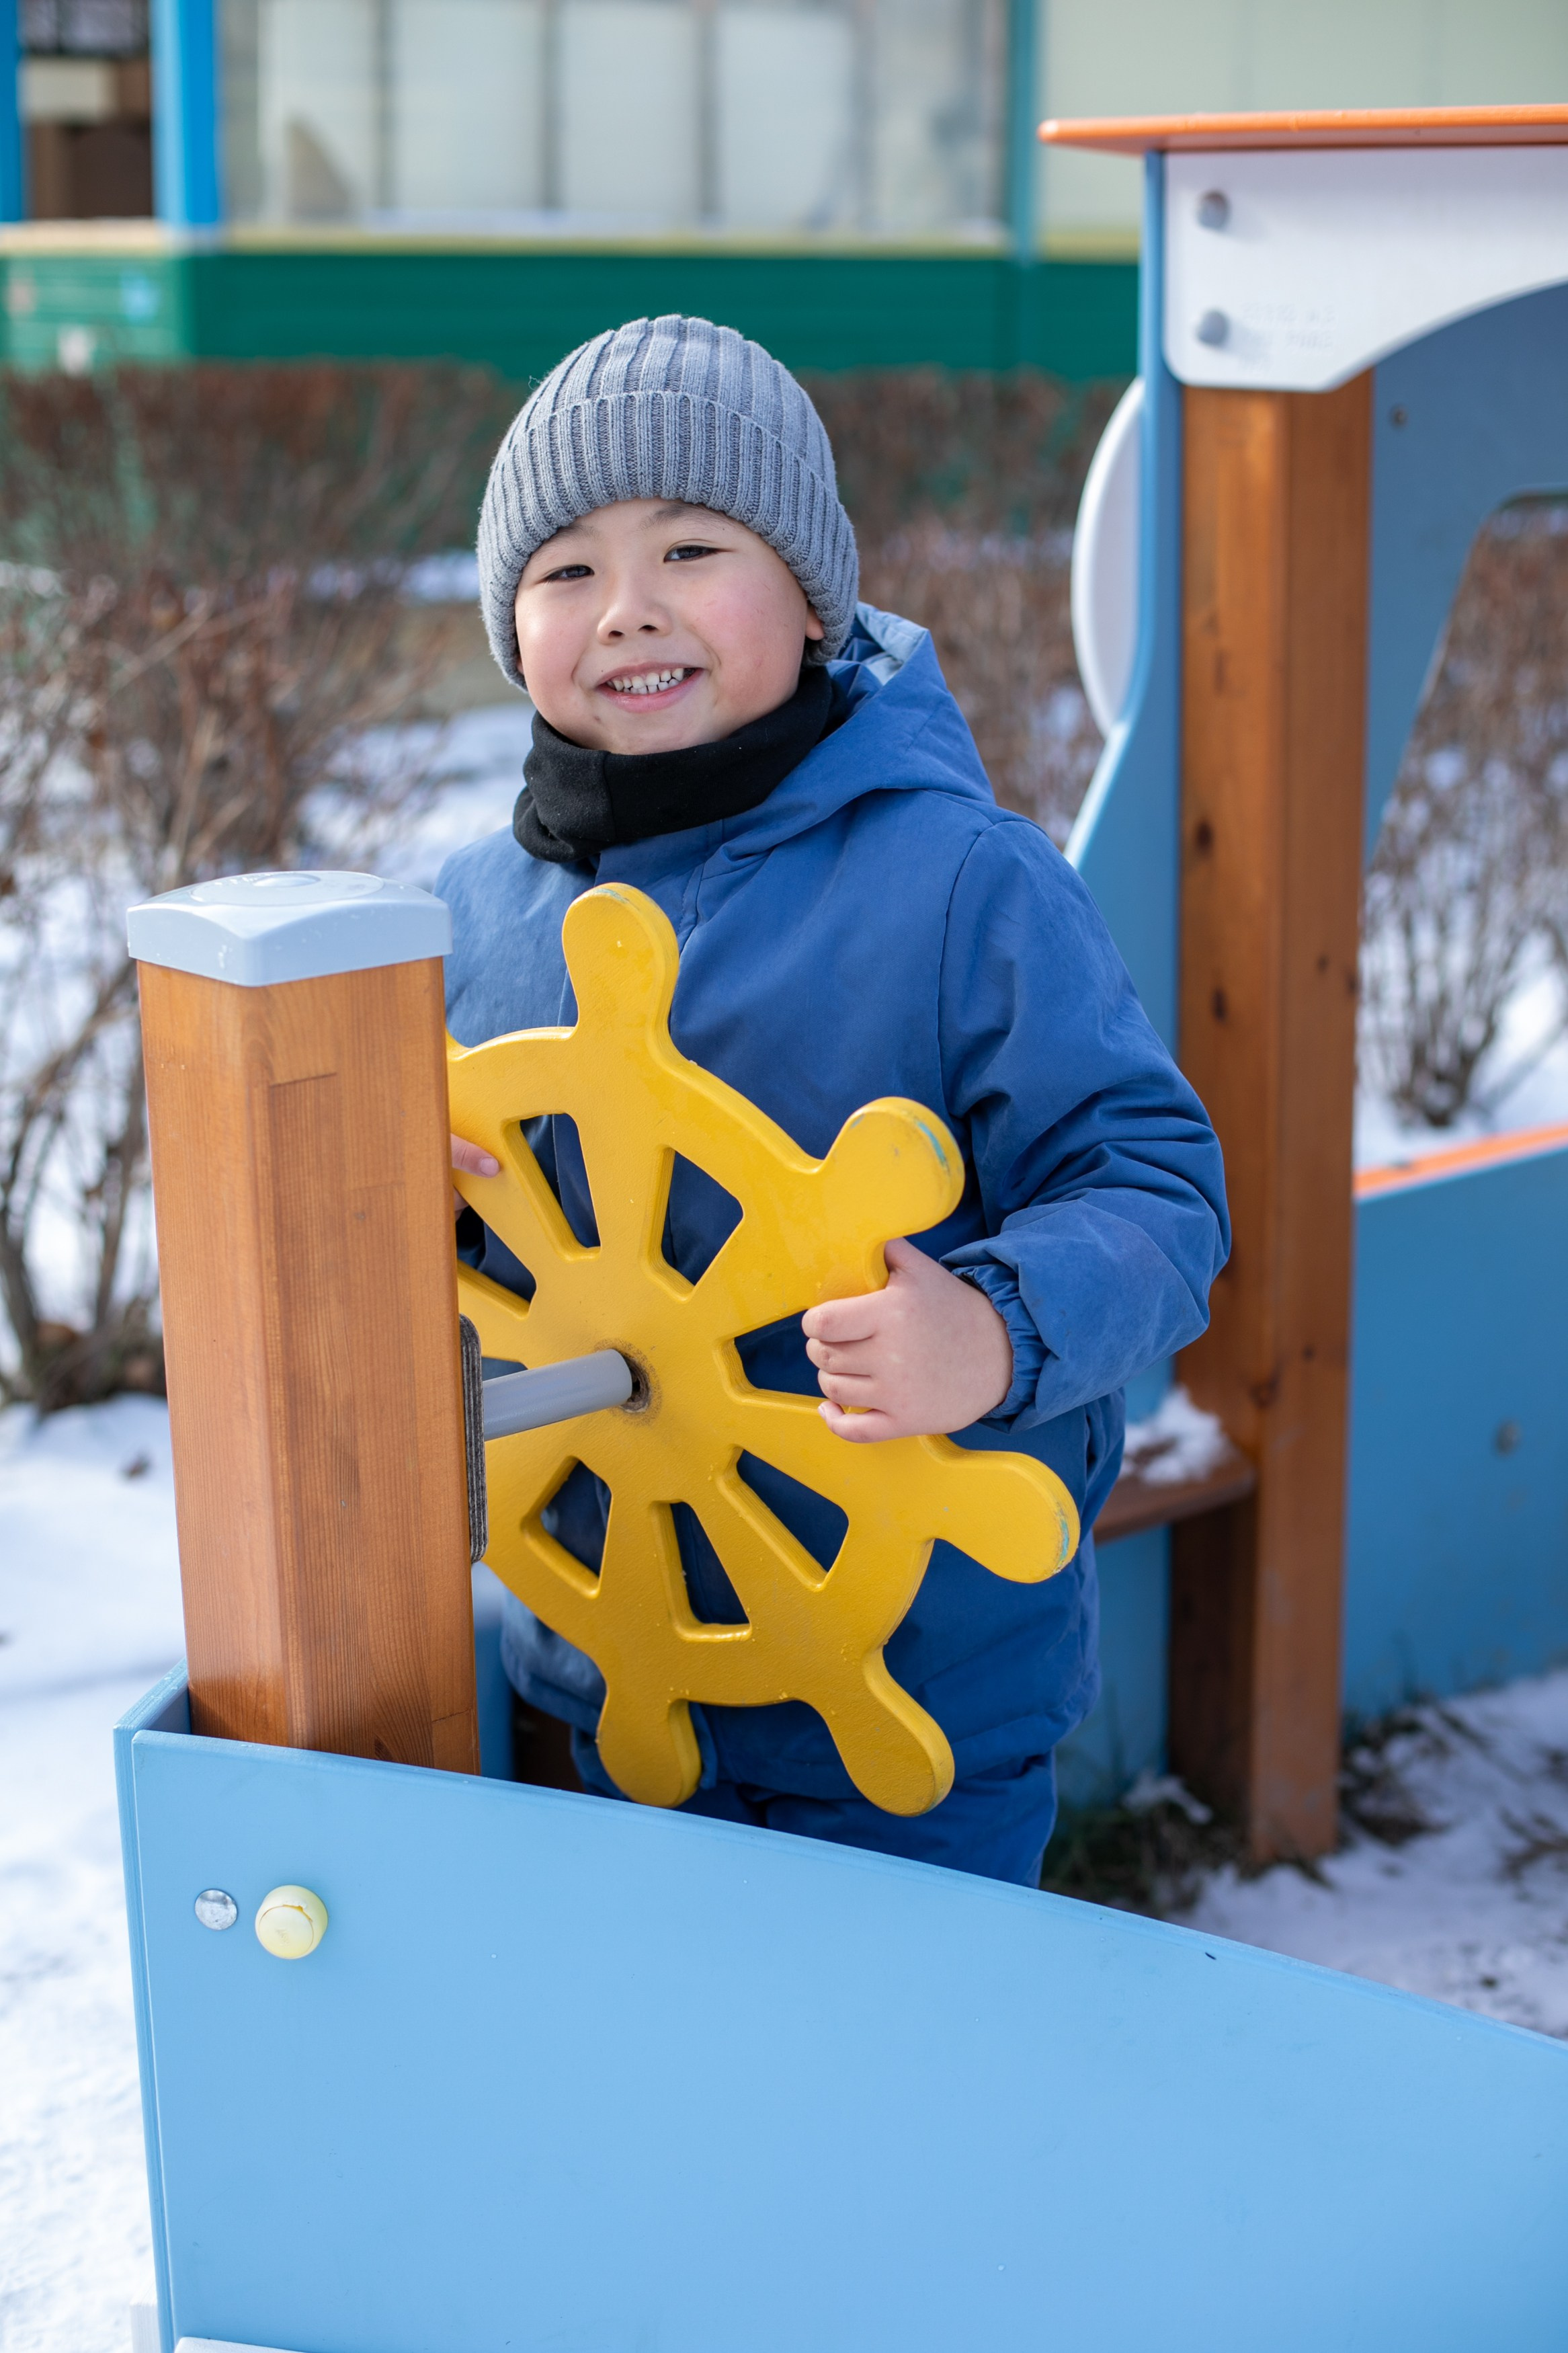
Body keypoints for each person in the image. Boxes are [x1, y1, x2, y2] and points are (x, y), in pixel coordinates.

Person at [439, 313, 1228, 1887]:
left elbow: (1157, 1190)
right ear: (507, 623)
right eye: (567, 569)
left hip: (911, 1711)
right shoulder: (466, 919)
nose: (628, 608)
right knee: (646, 2108)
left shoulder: (962, 887)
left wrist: (996, 1327)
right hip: (602, 1678)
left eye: (689, 545)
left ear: (811, 596)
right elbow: (453, 1250)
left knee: (893, 2115)